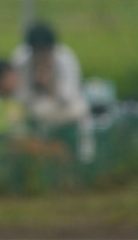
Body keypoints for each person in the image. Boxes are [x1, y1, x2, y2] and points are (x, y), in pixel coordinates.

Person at [11, 21, 93, 161]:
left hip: (63, 107)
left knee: (81, 110)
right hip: (35, 107)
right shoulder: (21, 60)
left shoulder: (65, 59)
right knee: (29, 114)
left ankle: (84, 157)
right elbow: (18, 96)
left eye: (45, 51)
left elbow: (69, 97)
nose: (41, 56)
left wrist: (50, 85)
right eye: (38, 51)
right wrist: (35, 85)